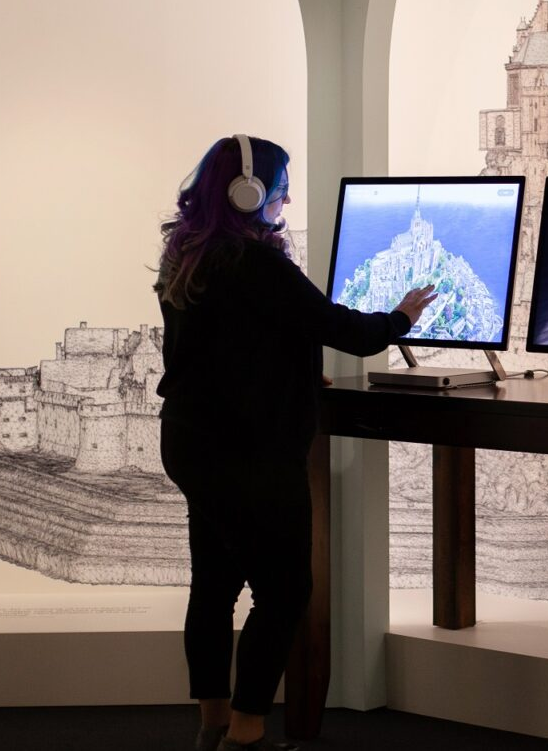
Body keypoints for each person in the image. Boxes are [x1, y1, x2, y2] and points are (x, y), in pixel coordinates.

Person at [153, 135, 436, 751]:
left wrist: (297, 369)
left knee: (214, 586)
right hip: (248, 451)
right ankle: (248, 734)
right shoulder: (257, 263)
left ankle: (214, 725)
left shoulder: (187, 255)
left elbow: (223, 346)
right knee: (284, 591)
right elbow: (343, 329)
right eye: (279, 189)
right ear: (247, 193)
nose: (284, 200)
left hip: (192, 444)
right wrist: (402, 317)